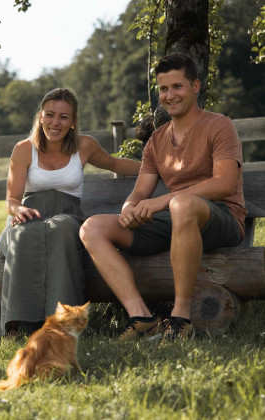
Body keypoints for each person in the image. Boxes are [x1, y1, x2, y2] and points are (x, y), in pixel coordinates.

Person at [79, 53, 246, 342]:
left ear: (195, 86)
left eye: (177, 86)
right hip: (176, 219)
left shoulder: (219, 125)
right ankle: (143, 318)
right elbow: (140, 191)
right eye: (164, 89)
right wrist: (129, 208)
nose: (170, 95)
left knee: (180, 204)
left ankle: (180, 319)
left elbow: (224, 184)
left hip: (221, 218)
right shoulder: (157, 141)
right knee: (92, 228)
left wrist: (162, 201)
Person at [0, 88, 141, 337]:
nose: (55, 122)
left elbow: (115, 163)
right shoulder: (23, 149)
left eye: (63, 117)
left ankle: (64, 322)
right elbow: (11, 199)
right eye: (50, 114)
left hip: (68, 215)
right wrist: (19, 209)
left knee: (62, 229)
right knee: (24, 234)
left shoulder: (85, 146)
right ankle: (17, 323)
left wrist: (159, 169)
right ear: (40, 116)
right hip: (30, 214)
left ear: (73, 121)